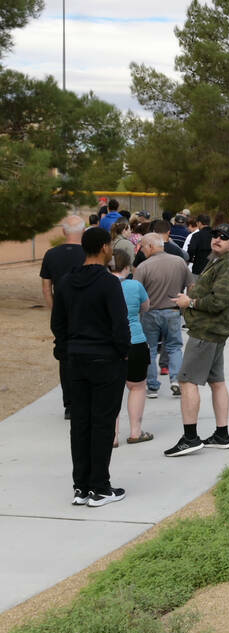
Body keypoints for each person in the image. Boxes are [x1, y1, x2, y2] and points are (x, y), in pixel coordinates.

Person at [50, 226, 130, 506]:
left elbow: (57, 322)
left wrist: (64, 350)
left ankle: (81, 486)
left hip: (75, 360)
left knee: (80, 423)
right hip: (105, 359)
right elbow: (120, 325)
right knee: (103, 422)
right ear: (105, 248)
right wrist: (123, 354)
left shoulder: (65, 282)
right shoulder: (109, 283)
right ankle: (100, 487)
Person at [163, 223, 229, 457]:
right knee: (216, 381)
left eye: (224, 237)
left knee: (187, 380)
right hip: (214, 330)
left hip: (207, 331)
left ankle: (190, 438)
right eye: (215, 235)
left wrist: (188, 303)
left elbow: (219, 300)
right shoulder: (221, 260)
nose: (217, 239)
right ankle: (222, 435)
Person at [136, 233, 193, 400]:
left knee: (150, 349)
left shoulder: (143, 267)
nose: (141, 250)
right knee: (174, 347)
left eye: (143, 247)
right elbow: (191, 284)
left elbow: (137, 291)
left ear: (151, 247)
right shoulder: (179, 262)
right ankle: (176, 380)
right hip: (173, 310)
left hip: (150, 312)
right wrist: (186, 304)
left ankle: (152, 386)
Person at [41, 215, 87, 419]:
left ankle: (69, 402)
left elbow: (46, 287)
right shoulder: (88, 254)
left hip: (62, 313)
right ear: (83, 232)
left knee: (64, 356)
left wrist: (54, 309)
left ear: (63, 231)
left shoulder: (51, 254)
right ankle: (84, 398)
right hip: (87, 312)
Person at [111, 249, 153, 445]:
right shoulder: (135, 286)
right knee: (137, 387)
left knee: (111, 390)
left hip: (110, 345)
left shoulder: (102, 286)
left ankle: (111, 435)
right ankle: (135, 431)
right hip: (135, 341)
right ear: (127, 268)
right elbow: (146, 306)